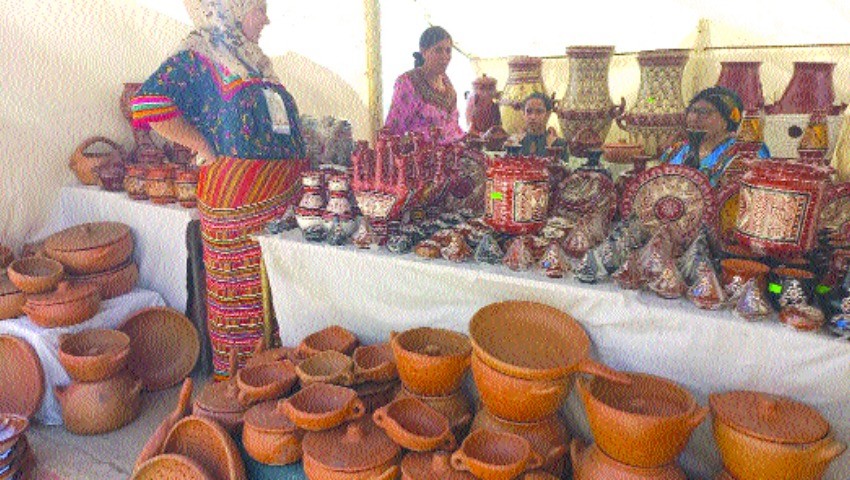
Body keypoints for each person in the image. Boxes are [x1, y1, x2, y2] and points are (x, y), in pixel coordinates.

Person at [131, 0, 306, 379]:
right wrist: (202, 146)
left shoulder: (254, 60)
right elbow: (149, 102)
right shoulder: (200, 51)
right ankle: (243, 390)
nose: (267, 18)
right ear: (236, 8)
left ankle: (281, 385)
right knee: (242, 300)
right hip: (236, 199)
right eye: (259, 8)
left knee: (277, 297)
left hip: (280, 199)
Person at [661, 86, 769, 186]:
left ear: (726, 120)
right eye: (692, 111)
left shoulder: (746, 151)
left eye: (704, 112)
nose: (694, 118)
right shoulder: (677, 150)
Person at [384, 26, 464, 144]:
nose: (445, 56)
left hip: (450, 157)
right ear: (424, 51)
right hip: (420, 158)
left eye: (448, 50)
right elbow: (393, 130)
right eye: (438, 50)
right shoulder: (408, 83)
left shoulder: (447, 84)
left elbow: (453, 128)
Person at [506, 92, 568, 158]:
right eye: (529, 111)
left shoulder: (558, 144)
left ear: (548, 114)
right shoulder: (514, 143)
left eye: (539, 111)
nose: (533, 117)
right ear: (523, 114)